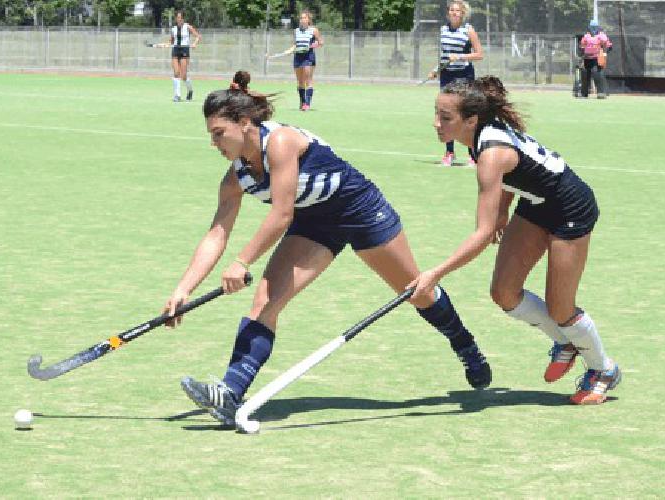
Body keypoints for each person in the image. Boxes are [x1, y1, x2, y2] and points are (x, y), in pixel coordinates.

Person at [165, 71, 492, 427]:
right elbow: (217, 233)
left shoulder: (280, 142)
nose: (214, 143)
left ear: (244, 123)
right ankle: (230, 392)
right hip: (314, 222)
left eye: (218, 134)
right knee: (264, 301)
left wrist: (242, 261)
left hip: (360, 210)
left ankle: (464, 344)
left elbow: (281, 212)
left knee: (415, 290)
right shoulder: (235, 177)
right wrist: (183, 290)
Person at [410, 76, 622, 405]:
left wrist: (434, 274)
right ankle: (566, 343)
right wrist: (504, 210)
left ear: (471, 120)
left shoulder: (489, 156)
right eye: (436, 114)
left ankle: (603, 370)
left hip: (571, 208)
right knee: (504, 292)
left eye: (445, 118)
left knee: (561, 307)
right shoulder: (479, 137)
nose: (436, 124)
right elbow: (517, 171)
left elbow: (482, 235)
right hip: (536, 204)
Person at [428, 0, 482, 167]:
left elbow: (479, 54)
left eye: (457, 11)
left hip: (464, 75)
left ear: (462, 13)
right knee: (446, 112)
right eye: (451, 10)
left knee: (466, 113)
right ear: (448, 13)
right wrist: (436, 70)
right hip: (447, 76)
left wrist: (460, 57)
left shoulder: (468, 30)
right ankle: (449, 153)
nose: (454, 13)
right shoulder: (443, 30)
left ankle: (473, 154)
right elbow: (444, 55)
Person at [267, 10, 324, 111]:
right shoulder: (296, 31)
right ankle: (302, 102)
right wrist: (289, 51)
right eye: (301, 18)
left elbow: (321, 42)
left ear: (308, 20)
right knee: (300, 81)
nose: (302, 20)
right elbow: (295, 45)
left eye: (304, 18)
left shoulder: (314, 30)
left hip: (309, 57)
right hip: (298, 57)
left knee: (308, 81)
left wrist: (314, 45)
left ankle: (307, 104)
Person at [159, 10, 201, 102]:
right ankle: (177, 95)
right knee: (176, 73)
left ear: (183, 18)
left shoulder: (188, 27)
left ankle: (190, 90)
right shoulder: (173, 29)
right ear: (176, 19)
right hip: (175, 50)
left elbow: (198, 36)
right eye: (178, 18)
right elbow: (171, 41)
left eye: (180, 18)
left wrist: (194, 44)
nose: (179, 20)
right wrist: (165, 44)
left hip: (184, 50)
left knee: (184, 76)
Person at [579, 20, 612, 99]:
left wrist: (604, 53)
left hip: (597, 59)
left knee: (597, 73)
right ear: (589, 27)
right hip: (587, 59)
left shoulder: (602, 36)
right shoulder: (586, 36)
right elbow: (582, 47)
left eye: (595, 27)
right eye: (592, 27)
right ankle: (584, 93)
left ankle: (601, 92)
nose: (593, 29)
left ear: (598, 27)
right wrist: (582, 56)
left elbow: (608, 46)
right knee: (584, 74)